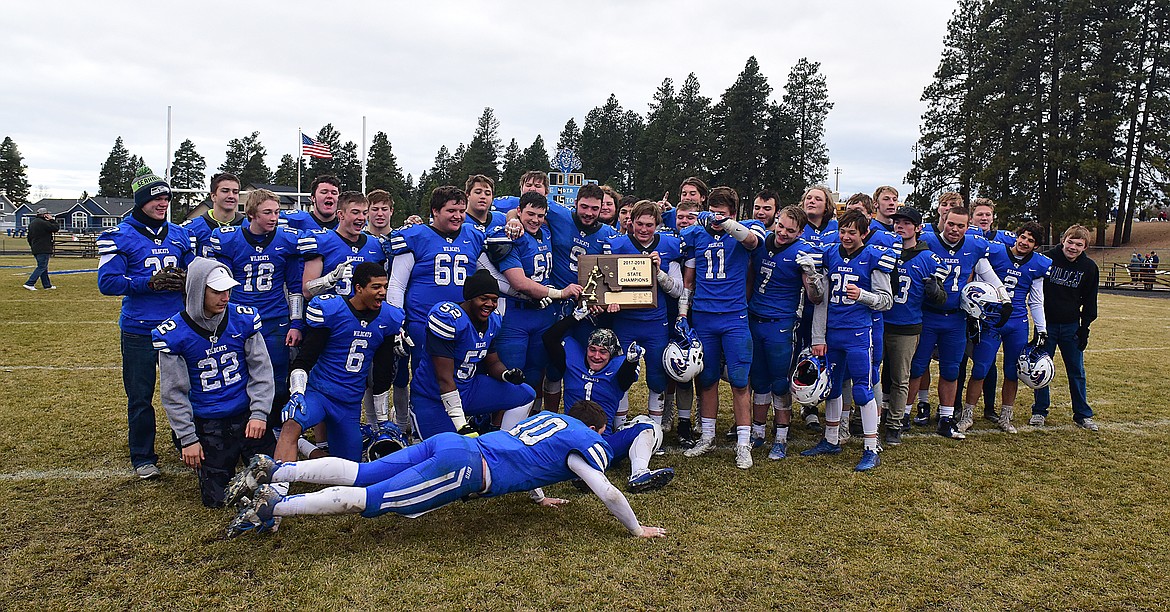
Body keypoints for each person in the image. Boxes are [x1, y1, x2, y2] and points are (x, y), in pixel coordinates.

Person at [224, 402, 667, 539]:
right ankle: (276, 506)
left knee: (363, 472)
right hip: (467, 469)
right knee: (372, 499)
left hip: (455, 443)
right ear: (596, 428)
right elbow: (606, 491)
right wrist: (636, 527)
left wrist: (540, 494)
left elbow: (527, 454)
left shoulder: (549, 420)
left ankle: (277, 466)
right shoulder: (584, 441)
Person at [97, 166, 195, 479]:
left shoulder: (179, 234)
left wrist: (186, 280)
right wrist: (147, 284)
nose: (163, 202)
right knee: (140, 396)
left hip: (178, 326)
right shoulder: (120, 235)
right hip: (139, 327)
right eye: (156, 198)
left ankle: (186, 442)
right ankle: (142, 456)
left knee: (188, 391)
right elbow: (107, 282)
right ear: (140, 202)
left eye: (166, 196)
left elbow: (194, 273)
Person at [154, 257, 274, 507]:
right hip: (208, 420)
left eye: (227, 289)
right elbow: (173, 393)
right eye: (217, 291)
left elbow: (261, 371)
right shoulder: (174, 333)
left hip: (245, 413)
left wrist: (259, 413)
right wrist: (188, 439)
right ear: (198, 290)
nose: (225, 296)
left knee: (272, 478)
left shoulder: (243, 319)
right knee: (219, 499)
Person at [274, 262, 406, 462]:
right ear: (359, 288)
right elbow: (305, 359)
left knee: (348, 467)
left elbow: (382, 371)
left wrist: (382, 420)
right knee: (291, 424)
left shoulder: (389, 317)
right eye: (376, 287)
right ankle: (277, 487)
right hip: (320, 393)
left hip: (349, 402)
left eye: (385, 286)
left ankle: (306, 447)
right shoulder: (332, 310)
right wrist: (298, 393)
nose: (382, 292)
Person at [209, 189, 313, 439]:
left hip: (275, 319)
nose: (274, 217)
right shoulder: (229, 239)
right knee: (239, 375)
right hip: (239, 320)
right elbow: (223, 284)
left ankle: (274, 426)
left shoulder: (287, 239)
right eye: (267, 212)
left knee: (277, 376)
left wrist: (296, 322)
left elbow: (295, 288)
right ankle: (242, 424)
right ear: (251, 213)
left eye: (277, 212)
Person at [679, 186, 765, 468]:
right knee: (707, 379)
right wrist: (682, 313)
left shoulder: (744, 229)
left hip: (734, 316)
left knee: (740, 380)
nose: (716, 218)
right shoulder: (696, 233)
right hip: (704, 316)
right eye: (713, 212)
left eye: (723, 213)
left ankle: (743, 444)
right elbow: (689, 280)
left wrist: (723, 222)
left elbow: (752, 241)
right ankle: (707, 436)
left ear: (734, 214)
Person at [802, 209, 895, 471]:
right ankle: (831, 439)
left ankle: (870, 446)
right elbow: (820, 297)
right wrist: (812, 276)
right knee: (831, 388)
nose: (846, 236)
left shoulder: (874, 257)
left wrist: (863, 295)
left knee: (862, 390)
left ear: (864, 233)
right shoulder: (831, 253)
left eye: (852, 232)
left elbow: (886, 301)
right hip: (833, 332)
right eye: (843, 231)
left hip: (858, 333)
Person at [543, 308, 675, 492]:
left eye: (603, 352)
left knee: (647, 427)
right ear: (586, 348)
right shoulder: (572, 358)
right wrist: (574, 317)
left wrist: (631, 362)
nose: (596, 356)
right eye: (592, 349)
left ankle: (639, 472)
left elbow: (625, 379)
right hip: (570, 437)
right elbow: (549, 338)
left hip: (601, 442)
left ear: (611, 354)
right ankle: (589, 470)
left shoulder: (618, 367)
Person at [906, 206, 1009, 439]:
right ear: (944, 221)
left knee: (951, 370)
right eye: (951, 223)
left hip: (956, 317)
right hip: (928, 314)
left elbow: (988, 273)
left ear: (968, 226)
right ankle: (904, 415)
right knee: (917, 367)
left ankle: (946, 417)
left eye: (960, 226)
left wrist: (1004, 298)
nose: (954, 229)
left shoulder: (974, 246)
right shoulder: (928, 242)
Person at [409, 269, 536, 439]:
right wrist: (461, 424)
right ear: (470, 298)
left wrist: (506, 375)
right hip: (434, 398)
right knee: (450, 454)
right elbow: (444, 379)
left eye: (494, 300)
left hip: (469, 389)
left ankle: (503, 445)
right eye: (483, 299)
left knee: (525, 394)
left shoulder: (492, 320)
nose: (490, 304)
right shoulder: (449, 318)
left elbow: (493, 363)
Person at [491, 192, 583, 411]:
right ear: (519, 212)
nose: (535, 219)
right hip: (516, 314)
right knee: (511, 373)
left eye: (540, 215)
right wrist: (559, 293)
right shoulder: (511, 234)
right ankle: (503, 429)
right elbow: (520, 283)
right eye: (529, 214)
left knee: (535, 373)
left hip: (542, 315)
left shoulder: (547, 232)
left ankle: (529, 422)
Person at [746, 205, 822, 460]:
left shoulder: (801, 253)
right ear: (776, 222)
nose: (783, 233)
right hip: (755, 319)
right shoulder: (762, 242)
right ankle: (758, 433)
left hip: (781, 322)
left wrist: (811, 275)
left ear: (800, 232)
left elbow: (815, 297)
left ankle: (780, 438)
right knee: (758, 380)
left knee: (779, 382)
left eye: (791, 230)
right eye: (781, 226)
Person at [963, 222, 1050, 433]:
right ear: (1017, 236)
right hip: (992, 318)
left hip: (1017, 322)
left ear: (1036, 246)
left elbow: (1036, 300)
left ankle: (1005, 417)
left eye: (1031, 240)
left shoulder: (1038, 264)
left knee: (1012, 371)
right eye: (1023, 237)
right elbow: (977, 275)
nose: (1025, 242)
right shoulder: (995, 251)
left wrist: (1042, 328)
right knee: (980, 368)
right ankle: (967, 415)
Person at [603, 200, 685, 425]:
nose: (644, 229)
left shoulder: (669, 246)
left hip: (655, 322)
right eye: (639, 223)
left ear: (657, 224)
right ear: (631, 222)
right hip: (625, 320)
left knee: (657, 377)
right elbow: (604, 281)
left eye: (649, 225)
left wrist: (658, 273)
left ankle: (656, 429)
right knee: (621, 374)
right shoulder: (617, 245)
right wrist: (609, 300)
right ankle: (619, 427)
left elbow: (677, 290)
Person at [882, 206, 946, 446]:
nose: (901, 226)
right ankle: (866, 417)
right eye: (898, 222)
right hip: (879, 320)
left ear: (918, 228)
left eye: (907, 223)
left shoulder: (928, 258)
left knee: (900, 378)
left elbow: (941, 295)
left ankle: (895, 424)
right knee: (872, 375)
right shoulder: (884, 251)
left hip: (906, 325)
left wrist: (935, 291)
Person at [1030, 225, 1099, 430]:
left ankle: (1082, 414)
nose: (1073, 247)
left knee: (1076, 371)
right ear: (1063, 240)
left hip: (1071, 327)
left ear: (1085, 246)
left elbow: (1090, 300)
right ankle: (1039, 411)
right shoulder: (1046, 259)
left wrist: (1084, 327)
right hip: (1046, 325)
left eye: (1079, 244)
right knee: (1041, 369)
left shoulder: (1089, 267)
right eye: (1070, 242)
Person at [302, 192, 386, 299]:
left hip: (365, 313)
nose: (361, 218)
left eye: (364, 213)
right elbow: (307, 292)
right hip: (332, 311)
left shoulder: (375, 244)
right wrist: (330, 279)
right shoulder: (322, 241)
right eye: (355, 212)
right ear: (341, 215)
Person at [184, 173, 243, 257]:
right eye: (225, 191)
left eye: (235, 192)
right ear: (213, 196)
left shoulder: (248, 226)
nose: (231, 196)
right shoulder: (192, 228)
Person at [23, 207, 59, 290]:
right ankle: (30, 283)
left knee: (43, 267)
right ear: (45, 215)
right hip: (44, 247)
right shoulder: (43, 223)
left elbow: (29, 237)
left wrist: (32, 246)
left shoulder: (32, 223)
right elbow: (55, 228)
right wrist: (52, 220)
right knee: (42, 266)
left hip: (36, 247)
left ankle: (47, 285)